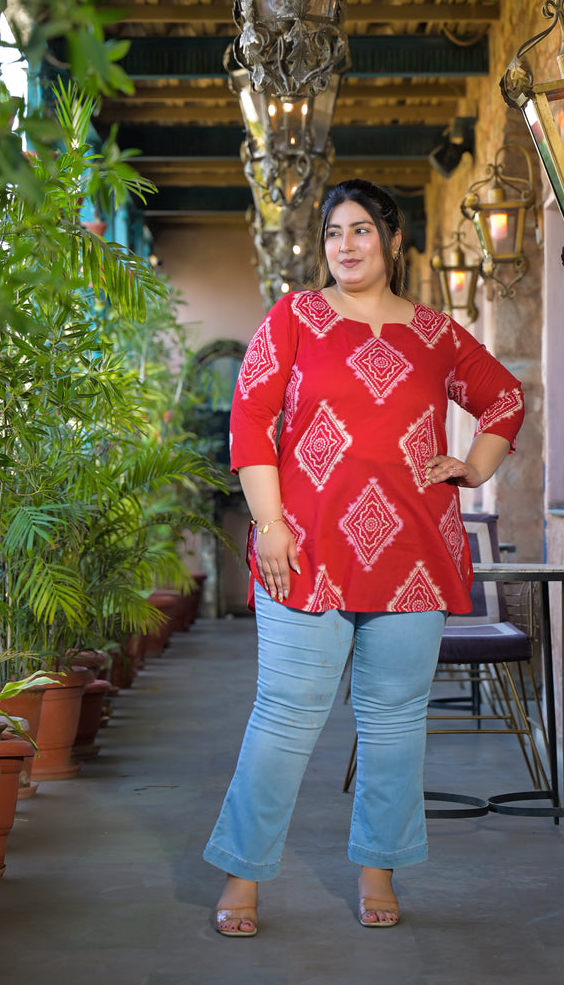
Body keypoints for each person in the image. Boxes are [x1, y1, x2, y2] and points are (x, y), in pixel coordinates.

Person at [203, 178, 524, 937]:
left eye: (361, 231)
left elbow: (504, 396)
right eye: (334, 233)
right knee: (284, 717)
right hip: (305, 551)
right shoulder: (297, 319)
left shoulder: (437, 334)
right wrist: (269, 524)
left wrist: (473, 467)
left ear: (393, 240)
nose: (346, 245)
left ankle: (378, 870)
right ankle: (242, 876)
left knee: (393, 722)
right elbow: (250, 416)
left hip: (412, 554)